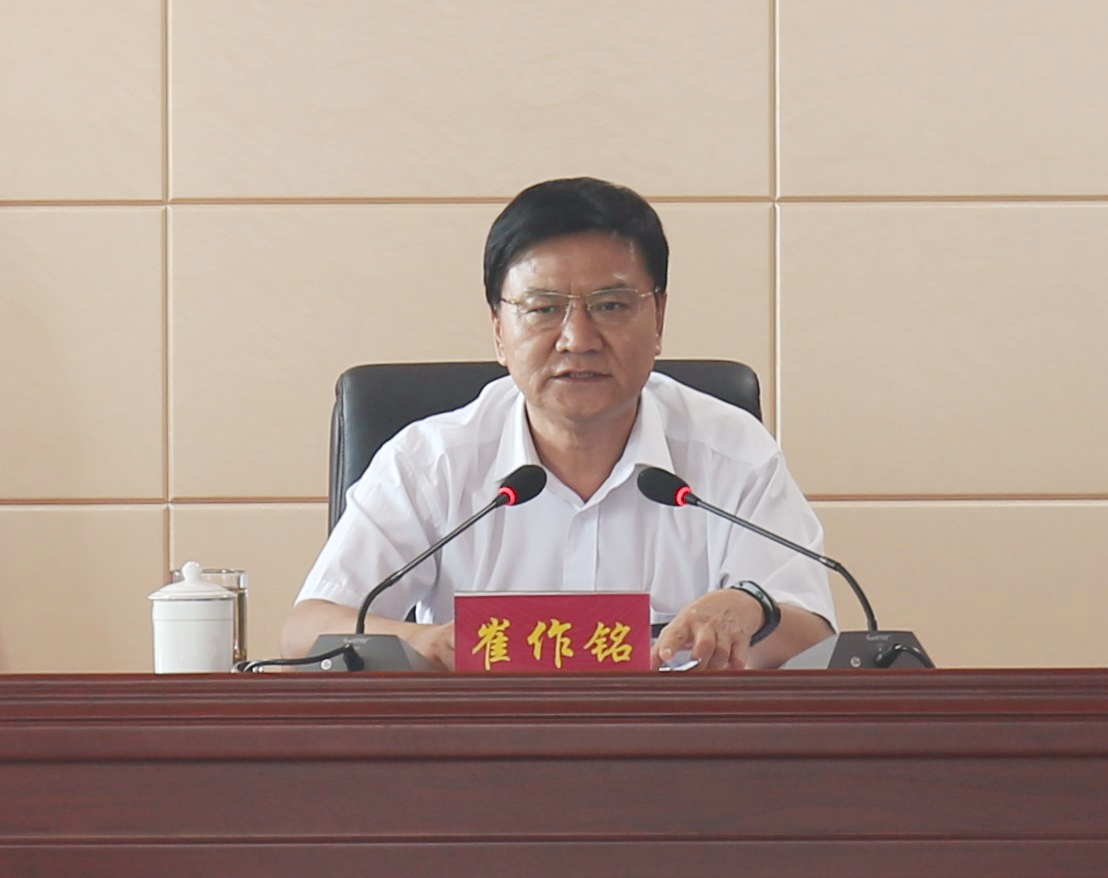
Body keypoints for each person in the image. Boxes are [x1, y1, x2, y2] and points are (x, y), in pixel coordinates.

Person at [281, 177, 836, 670]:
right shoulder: (430, 463)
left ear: (659, 318)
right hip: (479, 746)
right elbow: (307, 633)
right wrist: (419, 640)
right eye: (544, 309)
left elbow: (814, 633)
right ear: (499, 330)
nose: (578, 339)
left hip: (678, 746)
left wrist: (751, 608)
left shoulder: (733, 453)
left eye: (611, 305)